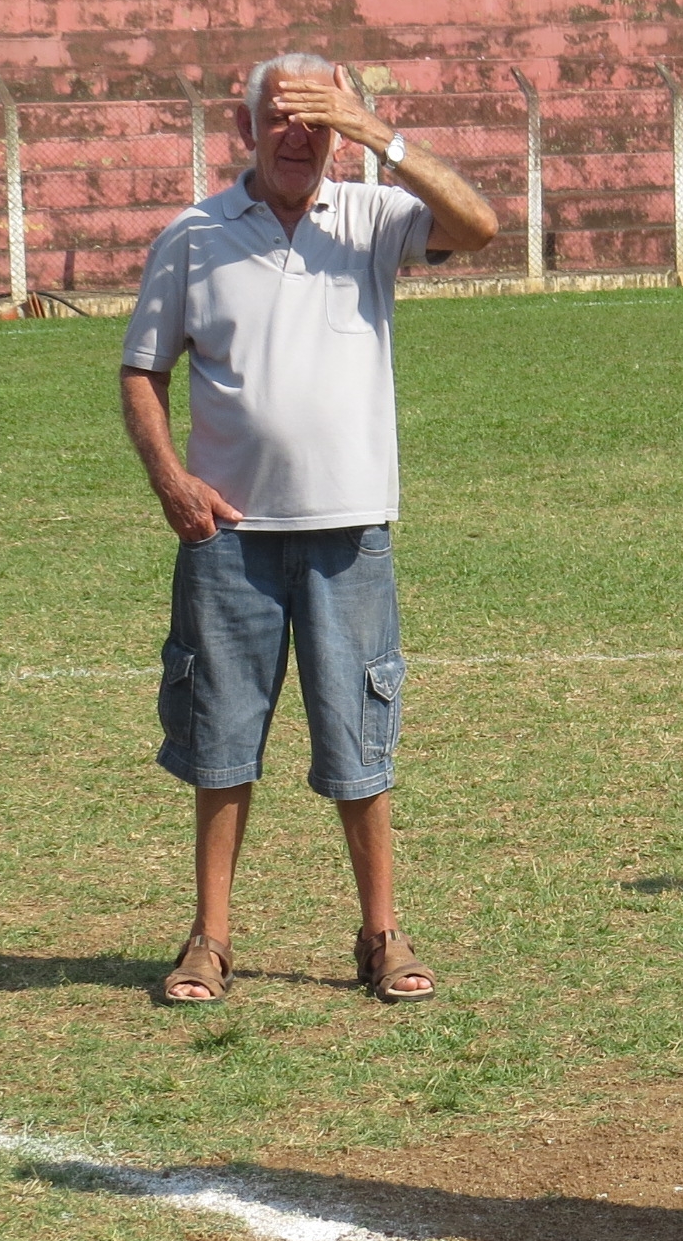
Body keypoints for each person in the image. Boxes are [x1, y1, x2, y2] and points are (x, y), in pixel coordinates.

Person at [120, 52, 497, 1007]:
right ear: (244, 126)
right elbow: (143, 371)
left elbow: (480, 226)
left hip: (349, 531)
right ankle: (209, 938)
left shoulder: (372, 217)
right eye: (281, 117)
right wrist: (170, 480)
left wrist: (376, 134)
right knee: (220, 744)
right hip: (228, 538)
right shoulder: (194, 235)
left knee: (358, 744)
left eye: (318, 120)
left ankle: (382, 933)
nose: (299, 137)